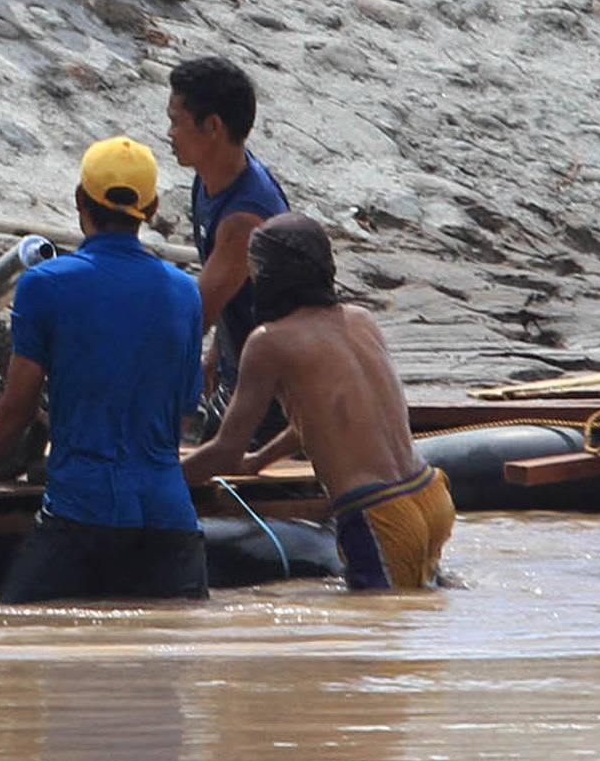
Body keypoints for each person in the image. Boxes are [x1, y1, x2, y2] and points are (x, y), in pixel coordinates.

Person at [0, 139, 208, 604]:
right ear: (152, 208)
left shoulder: (46, 285)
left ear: (79, 201)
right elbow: (183, 414)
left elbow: (16, 408)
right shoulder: (185, 292)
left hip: (81, 513)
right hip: (171, 519)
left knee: (23, 637)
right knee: (165, 666)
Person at [184, 214, 453, 593]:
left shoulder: (268, 342)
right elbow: (322, 417)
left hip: (378, 512)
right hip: (429, 493)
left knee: (374, 637)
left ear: (269, 276)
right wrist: (261, 462)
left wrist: (165, 479)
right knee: (420, 609)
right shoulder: (361, 320)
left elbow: (226, 452)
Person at [166, 54, 289, 430]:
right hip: (235, 374)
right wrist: (215, 357)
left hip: (271, 396)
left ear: (213, 126)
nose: (169, 133)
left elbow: (192, 318)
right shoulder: (209, 179)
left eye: (176, 122)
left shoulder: (244, 220)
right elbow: (233, 291)